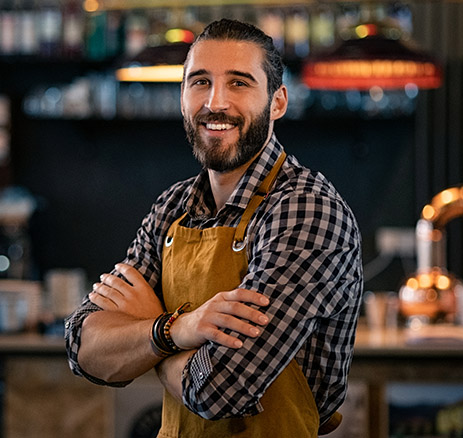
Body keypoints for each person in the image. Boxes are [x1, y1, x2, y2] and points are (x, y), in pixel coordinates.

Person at [64, 18, 363, 438]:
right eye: (200, 82)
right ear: (182, 96)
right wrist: (178, 329)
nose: (215, 102)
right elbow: (83, 348)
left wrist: (151, 333)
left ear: (277, 102)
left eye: (239, 83)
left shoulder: (305, 209)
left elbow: (220, 391)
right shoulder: (173, 207)